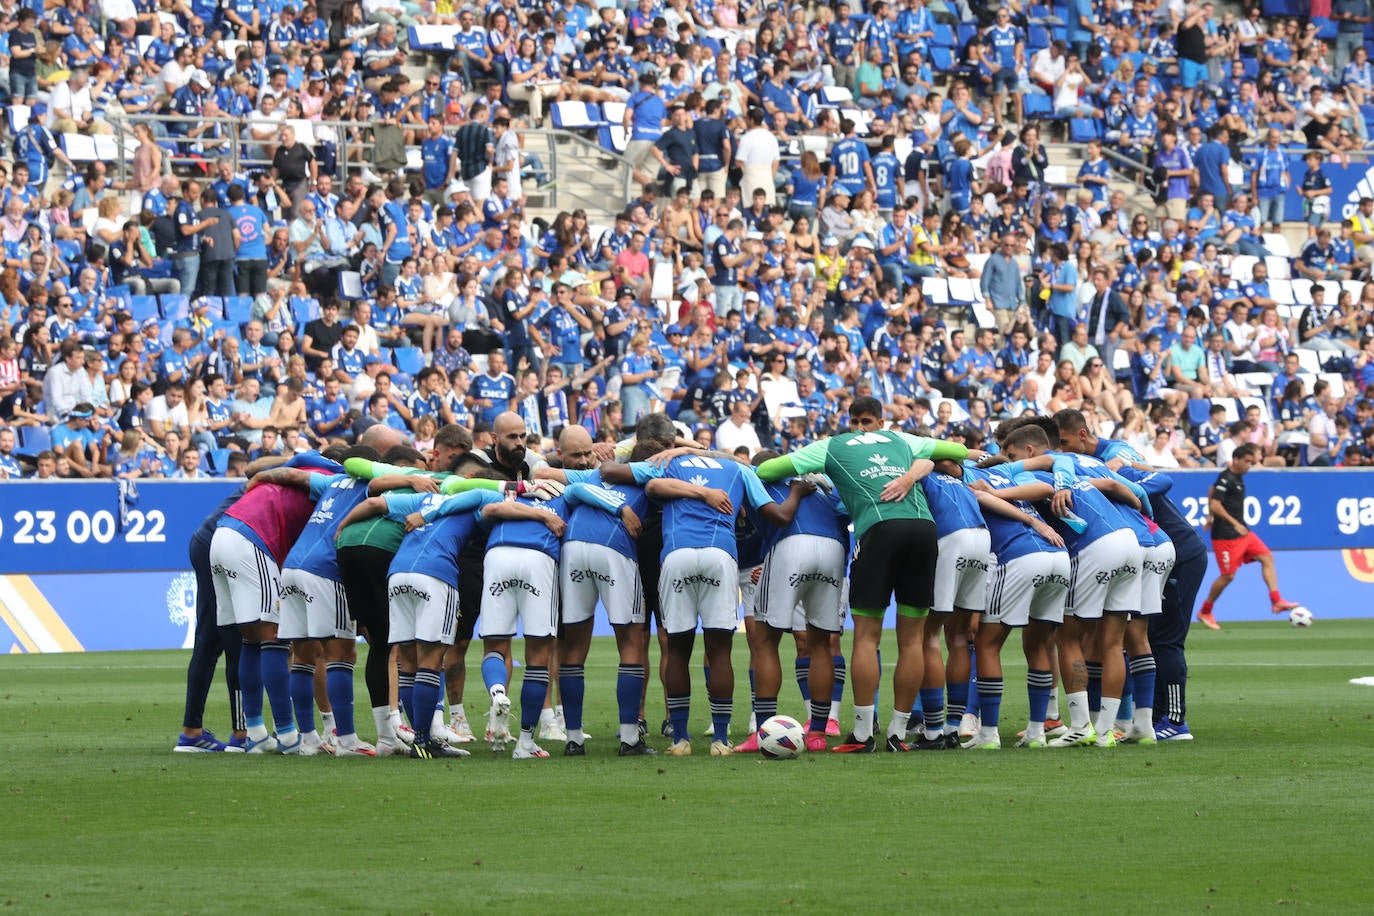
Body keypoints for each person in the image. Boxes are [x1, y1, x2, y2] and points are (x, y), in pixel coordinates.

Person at [756, 396, 974, 752]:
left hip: (879, 531)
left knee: (866, 638)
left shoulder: (831, 445)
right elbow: (957, 450)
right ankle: (897, 734)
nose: (860, 427)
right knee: (912, 639)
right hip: (924, 531)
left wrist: (812, 476)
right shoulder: (903, 438)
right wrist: (915, 469)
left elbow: (766, 470)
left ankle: (861, 735)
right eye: (858, 421)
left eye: (863, 421)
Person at [633, 446, 796, 756]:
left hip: (676, 554)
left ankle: (680, 739)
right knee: (720, 650)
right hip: (719, 554)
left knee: (677, 649)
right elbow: (775, 515)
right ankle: (720, 740)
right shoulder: (740, 470)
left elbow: (649, 486)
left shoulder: (672, 463)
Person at [1196, 444, 1301, 629]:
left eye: (1251, 463)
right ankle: (1205, 611)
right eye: (1247, 462)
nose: (1249, 466)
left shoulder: (1237, 477)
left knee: (1267, 557)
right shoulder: (1227, 478)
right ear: (1236, 459)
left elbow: (1211, 490)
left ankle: (1276, 601)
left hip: (1243, 533)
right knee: (1228, 576)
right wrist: (1231, 522)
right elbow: (1215, 504)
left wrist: (1210, 518)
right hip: (1226, 536)